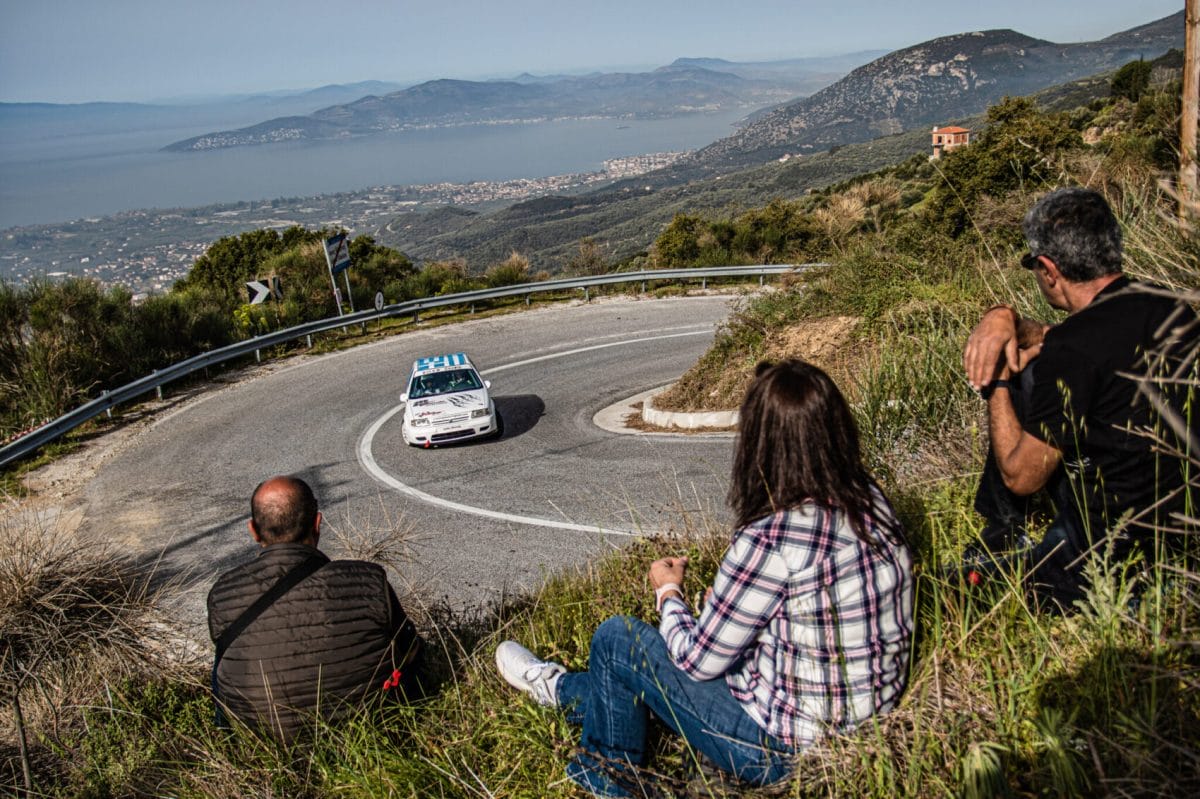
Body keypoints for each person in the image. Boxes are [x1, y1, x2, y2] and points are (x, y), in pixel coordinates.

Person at [494, 360, 914, 797]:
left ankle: (608, 774)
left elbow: (696, 661)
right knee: (650, 666)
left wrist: (669, 592)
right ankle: (562, 689)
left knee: (618, 640)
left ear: (761, 443)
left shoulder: (770, 538)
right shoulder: (874, 507)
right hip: (864, 737)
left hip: (782, 752)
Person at [963, 187, 1199, 607]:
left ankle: (1000, 541)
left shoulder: (1072, 352)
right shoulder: (1172, 304)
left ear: (1049, 269)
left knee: (964, 586)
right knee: (1033, 368)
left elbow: (1022, 477)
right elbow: (1065, 337)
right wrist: (1006, 318)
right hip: (1182, 521)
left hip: (1113, 549)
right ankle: (1001, 529)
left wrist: (998, 383)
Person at [207, 475, 422, 741]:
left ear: (253, 530)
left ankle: (222, 736)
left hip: (264, 745)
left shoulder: (224, 593)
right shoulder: (368, 580)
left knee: (223, 658)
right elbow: (411, 650)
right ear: (317, 524)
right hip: (369, 739)